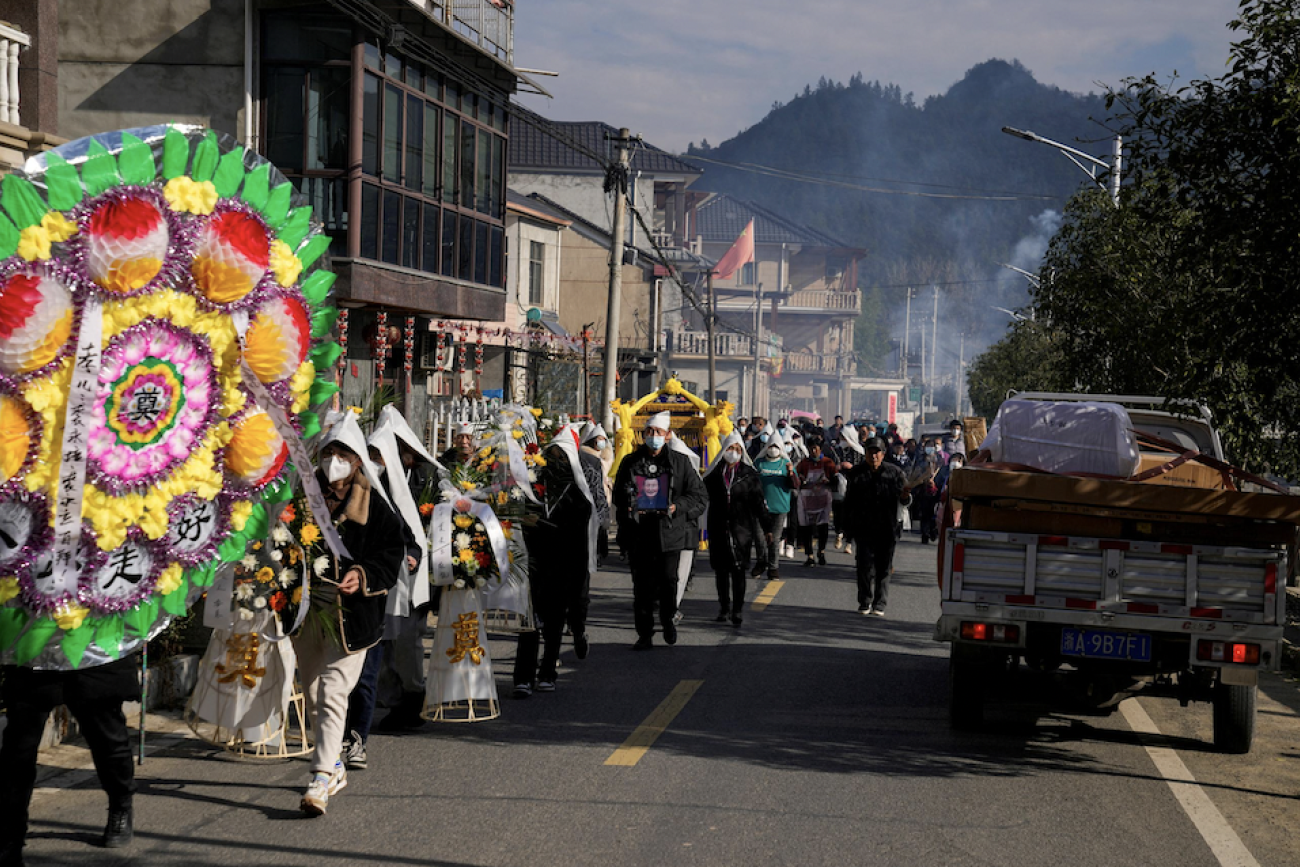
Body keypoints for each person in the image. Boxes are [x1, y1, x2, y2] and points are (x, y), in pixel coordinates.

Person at [295, 413, 404, 816]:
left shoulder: (373, 506)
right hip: (309, 611)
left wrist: (362, 574)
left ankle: (321, 777)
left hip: (352, 616)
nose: (334, 460)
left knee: (333, 691)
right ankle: (335, 765)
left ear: (359, 461)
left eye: (343, 453)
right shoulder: (304, 498)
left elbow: (391, 554)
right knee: (312, 693)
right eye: (329, 452)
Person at [1, 654, 141, 862]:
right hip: (36, 652)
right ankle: (10, 837)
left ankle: (120, 803)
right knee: (17, 751)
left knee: (108, 741)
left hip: (94, 655)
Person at [514, 425, 603, 695]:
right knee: (529, 623)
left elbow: (581, 531)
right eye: (551, 456)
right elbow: (518, 515)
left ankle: (548, 672)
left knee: (554, 623)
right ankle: (523, 677)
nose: (555, 462)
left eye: (561, 457)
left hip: (564, 566)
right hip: (534, 563)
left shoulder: (578, 496)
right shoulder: (534, 490)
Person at [613, 412, 708, 649]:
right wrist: (630, 503)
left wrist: (677, 507)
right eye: (649, 432)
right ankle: (644, 633)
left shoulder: (680, 462)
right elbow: (617, 497)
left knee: (668, 581)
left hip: (669, 533)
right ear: (643, 434)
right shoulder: (630, 462)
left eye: (658, 432)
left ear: (667, 436)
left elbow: (698, 496)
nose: (653, 436)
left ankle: (668, 620)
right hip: (640, 533)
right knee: (642, 586)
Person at [703, 433, 772, 626]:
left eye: (737, 450)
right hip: (718, 528)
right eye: (730, 449)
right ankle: (724, 607)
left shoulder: (749, 475)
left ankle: (737, 610)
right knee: (721, 571)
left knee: (739, 570)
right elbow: (701, 498)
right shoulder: (714, 475)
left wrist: (767, 528)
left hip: (741, 529)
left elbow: (759, 503)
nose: (733, 453)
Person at [843, 437, 911, 617]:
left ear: (883, 453)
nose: (873, 456)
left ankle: (879, 603)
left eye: (877, 452)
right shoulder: (856, 473)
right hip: (863, 527)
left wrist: (905, 496)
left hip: (887, 528)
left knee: (884, 566)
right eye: (870, 452)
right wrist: (846, 529)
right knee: (864, 565)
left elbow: (905, 500)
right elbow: (848, 501)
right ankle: (864, 601)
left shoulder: (895, 472)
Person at [754, 430, 798, 579]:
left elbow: (795, 485)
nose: (773, 448)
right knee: (759, 539)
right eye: (771, 445)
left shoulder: (786, 464)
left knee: (774, 540)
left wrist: (791, 474)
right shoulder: (759, 463)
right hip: (760, 508)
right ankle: (761, 562)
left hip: (779, 507)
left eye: (776, 446)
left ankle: (773, 567)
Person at [795, 441, 837, 567]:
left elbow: (835, 480)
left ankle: (821, 551)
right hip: (806, 497)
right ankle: (810, 555)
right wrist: (800, 480)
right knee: (806, 526)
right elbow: (797, 477)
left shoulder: (828, 462)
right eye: (811, 449)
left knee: (822, 526)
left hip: (823, 497)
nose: (813, 451)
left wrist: (828, 482)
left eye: (815, 448)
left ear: (820, 449)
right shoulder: (804, 463)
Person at [581, 423, 614, 565]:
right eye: (597, 439)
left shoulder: (607, 456)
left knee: (602, 524)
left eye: (602, 439)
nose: (600, 443)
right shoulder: (587, 457)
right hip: (593, 493)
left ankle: (601, 551)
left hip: (605, 491)